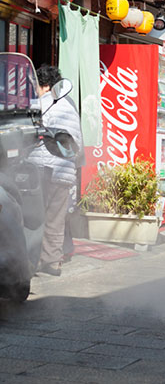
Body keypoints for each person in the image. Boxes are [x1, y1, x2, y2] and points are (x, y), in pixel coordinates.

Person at [29, 65, 83, 276]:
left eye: (36, 85)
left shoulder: (40, 103)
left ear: (44, 85)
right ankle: (52, 262)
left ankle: (31, 262)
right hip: (65, 172)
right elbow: (76, 142)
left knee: (35, 217)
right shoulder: (70, 107)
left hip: (42, 168)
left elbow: (29, 134)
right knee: (56, 218)